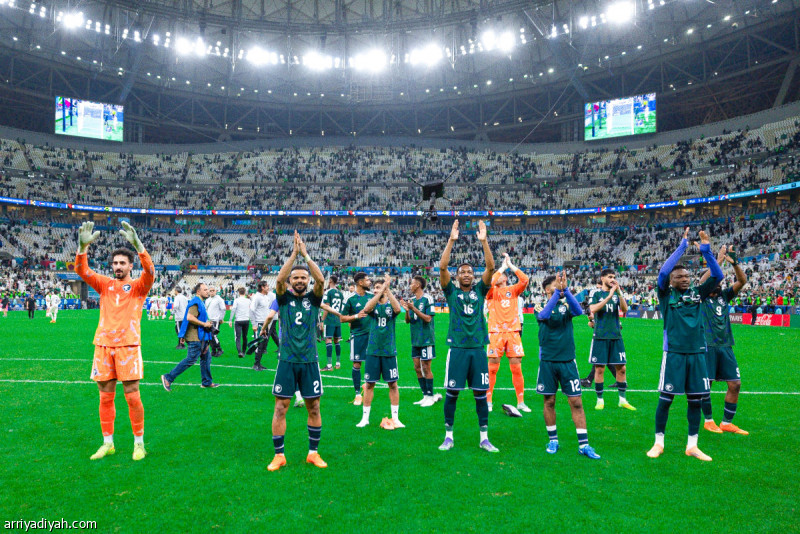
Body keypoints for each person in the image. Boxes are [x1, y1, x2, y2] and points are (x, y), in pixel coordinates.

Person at [75, 221, 154, 461]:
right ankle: (107, 443)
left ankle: (139, 444)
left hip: (128, 345)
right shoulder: (104, 284)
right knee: (105, 396)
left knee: (132, 395)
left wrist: (138, 246)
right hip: (103, 345)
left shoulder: (138, 287)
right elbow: (82, 271)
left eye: (122, 263)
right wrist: (82, 248)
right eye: (115, 263)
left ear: (131, 265)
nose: (118, 266)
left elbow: (150, 272)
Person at [647, 228, 723, 462]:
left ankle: (692, 445)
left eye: (687, 276)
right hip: (674, 354)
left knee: (696, 401)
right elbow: (663, 271)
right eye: (680, 277)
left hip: (698, 354)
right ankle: (658, 442)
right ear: (671, 281)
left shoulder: (698, 293)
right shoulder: (665, 295)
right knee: (666, 400)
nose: (685, 279)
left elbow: (718, 275)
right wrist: (682, 246)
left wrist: (706, 250)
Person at [267, 231, 327, 472]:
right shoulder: (283, 299)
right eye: (296, 278)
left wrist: (306, 255)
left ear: (308, 280)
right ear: (291, 281)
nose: (300, 280)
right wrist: (293, 254)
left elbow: (321, 281)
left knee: (314, 407)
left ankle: (313, 453)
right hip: (287, 361)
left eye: (303, 277)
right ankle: (279, 455)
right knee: (280, 408)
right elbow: (279, 280)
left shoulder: (314, 298)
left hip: (310, 361)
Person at [437, 219, 498, 453]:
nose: (466, 274)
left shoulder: (480, 291)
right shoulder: (451, 292)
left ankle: (484, 438)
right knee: (452, 394)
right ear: (457, 277)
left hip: (478, 350)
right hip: (458, 351)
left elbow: (490, 268)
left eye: (469, 272)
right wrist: (451, 240)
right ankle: (448, 436)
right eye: (462, 272)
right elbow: (443, 268)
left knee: (481, 395)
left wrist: (484, 242)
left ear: (473, 277)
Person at [537, 272, 601, 460]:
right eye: (556, 284)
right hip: (548, 361)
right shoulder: (540, 305)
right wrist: (557, 293)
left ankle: (584, 445)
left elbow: (578, 311)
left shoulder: (566, 305)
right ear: (547, 289)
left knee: (576, 402)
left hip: (567, 361)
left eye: (561, 283)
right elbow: (544, 315)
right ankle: (553, 440)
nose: (560, 286)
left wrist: (565, 291)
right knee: (549, 401)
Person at [699, 245, 749, 435]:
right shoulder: (701, 297)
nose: (719, 283)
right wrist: (718, 260)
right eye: (716, 280)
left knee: (735, 384)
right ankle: (708, 421)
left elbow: (742, 281)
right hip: (707, 346)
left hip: (726, 346)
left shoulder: (724, 296)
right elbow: (702, 281)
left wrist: (735, 264)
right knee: (706, 385)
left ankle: (727, 423)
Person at [356, 274, 404, 428]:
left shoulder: (390, 306)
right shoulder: (372, 305)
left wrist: (387, 289)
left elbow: (398, 309)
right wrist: (382, 290)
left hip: (389, 351)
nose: (376, 290)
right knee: (369, 384)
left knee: (393, 385)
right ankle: (365, 418)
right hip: (373, 351)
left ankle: (395, 418)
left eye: (379, 287)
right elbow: (366, 309)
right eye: (375, 288)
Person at [485, 252, 530, 413]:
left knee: (516, 368)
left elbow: (525, 280)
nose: (498, 276)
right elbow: (489, 282)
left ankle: (521, 402)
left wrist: (510, 266)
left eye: (501, 274)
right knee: (492, 368)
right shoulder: (491, 292)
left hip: (512, 332)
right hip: (495, 333)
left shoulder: (513, 290)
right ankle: (488, 401)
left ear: (505, 278)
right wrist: (501, 268)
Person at [588, 269, 635, 411]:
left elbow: (625, 309)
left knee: (622, 368)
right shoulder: (595, 293)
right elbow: (593, 309)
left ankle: (622, 400)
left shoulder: (616, 294)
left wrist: (619, 293)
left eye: (614, 277)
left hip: (616, 336)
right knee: (599, 369)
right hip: (600, 336)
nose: (613, 279)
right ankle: (600, 400)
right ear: (602, 278)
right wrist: (609, 296)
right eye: (610, 277)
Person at [161, 283, 219, 390]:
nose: (207, 291)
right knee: (191, 359)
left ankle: (206, 382)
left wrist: (206, 323)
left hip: (201, 336)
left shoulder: (200, 302)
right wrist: (204, 324)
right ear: (198, 291)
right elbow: (189, 317)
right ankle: (168, 378)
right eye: (205, 290)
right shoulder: (195, 302)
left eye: (207, 289)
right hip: (195, 337)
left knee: (206, 358)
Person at [399, 275, 439, 407]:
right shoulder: (412, 301)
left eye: (412, 283)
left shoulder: (428, 298)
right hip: (415, 340)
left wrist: (413, 308)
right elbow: (408, 321)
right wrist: (407, 311)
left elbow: (428, 319)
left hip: (426, 339)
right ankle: (425, 395)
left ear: (418, 285)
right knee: (417, 368)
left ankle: (430, 396)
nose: (410, 286)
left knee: (426, 367)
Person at [341, 272, 373, 405]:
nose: (370, 282)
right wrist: (355, 316)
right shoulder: (350, 299)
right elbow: (342, 318)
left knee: (372, 363)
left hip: (372, 336)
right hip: (358, 335)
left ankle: (368, 386)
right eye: (367, 280)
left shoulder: (372, 297)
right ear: (360, 282)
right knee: (357, 364)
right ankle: (357, 394)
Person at [320, 276, 345, 371]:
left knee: (328, 340)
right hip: (337, 320)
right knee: (337, 341)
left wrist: (322, 320)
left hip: (330, 319)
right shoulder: (340, 293)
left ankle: (329, 365)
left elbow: (326, 307)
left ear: (330, 280)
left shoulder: (328, 292)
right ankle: (338, 364)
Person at [250, 281, 273, 370]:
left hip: (265, 324)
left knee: (263, 345)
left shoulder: (265, 297)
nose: (268, 287)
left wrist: (267, 324)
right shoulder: (257, 297)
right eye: (267, 286)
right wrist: (254, 324)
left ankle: (259, 363)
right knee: (259, 345)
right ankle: (256, 364)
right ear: (262, 287)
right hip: (259, 324)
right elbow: (251, 310)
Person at [205, 286, 227, 357]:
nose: (212, 292)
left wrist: (221, 318)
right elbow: (206, 310)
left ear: (216, 291)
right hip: (209, 320)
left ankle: (219, 349)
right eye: (210, 291)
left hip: (216, 320)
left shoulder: (219, 299)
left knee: (213, 335)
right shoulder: (207, 300)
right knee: (209, 336)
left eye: (213, 290)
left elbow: (223, 309)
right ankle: (213, 350)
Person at [229, 287, 251, 358]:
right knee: (245, 336)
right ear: (245, 292)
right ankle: (244, 352)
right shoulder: (248, 300)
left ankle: (239, 352)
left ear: (238, 293)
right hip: (246, 320)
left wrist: (230, 320)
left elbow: (233, 310)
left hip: (238, 320)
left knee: (238, 337)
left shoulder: (236, 300)